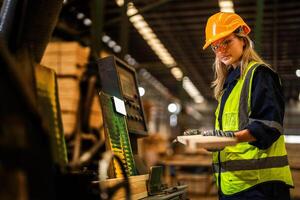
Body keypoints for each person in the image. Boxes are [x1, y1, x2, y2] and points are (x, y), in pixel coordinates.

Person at [184, 12, 293, 199]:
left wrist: (225, 138)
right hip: (234, 185)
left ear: (243, 39)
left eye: (226, 42)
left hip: (259, 187)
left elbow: (268, 127)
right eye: (215, 46)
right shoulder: (229, 85)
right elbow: (233, 130)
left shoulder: (259, 75)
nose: (221, 51)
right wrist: (216, 140)